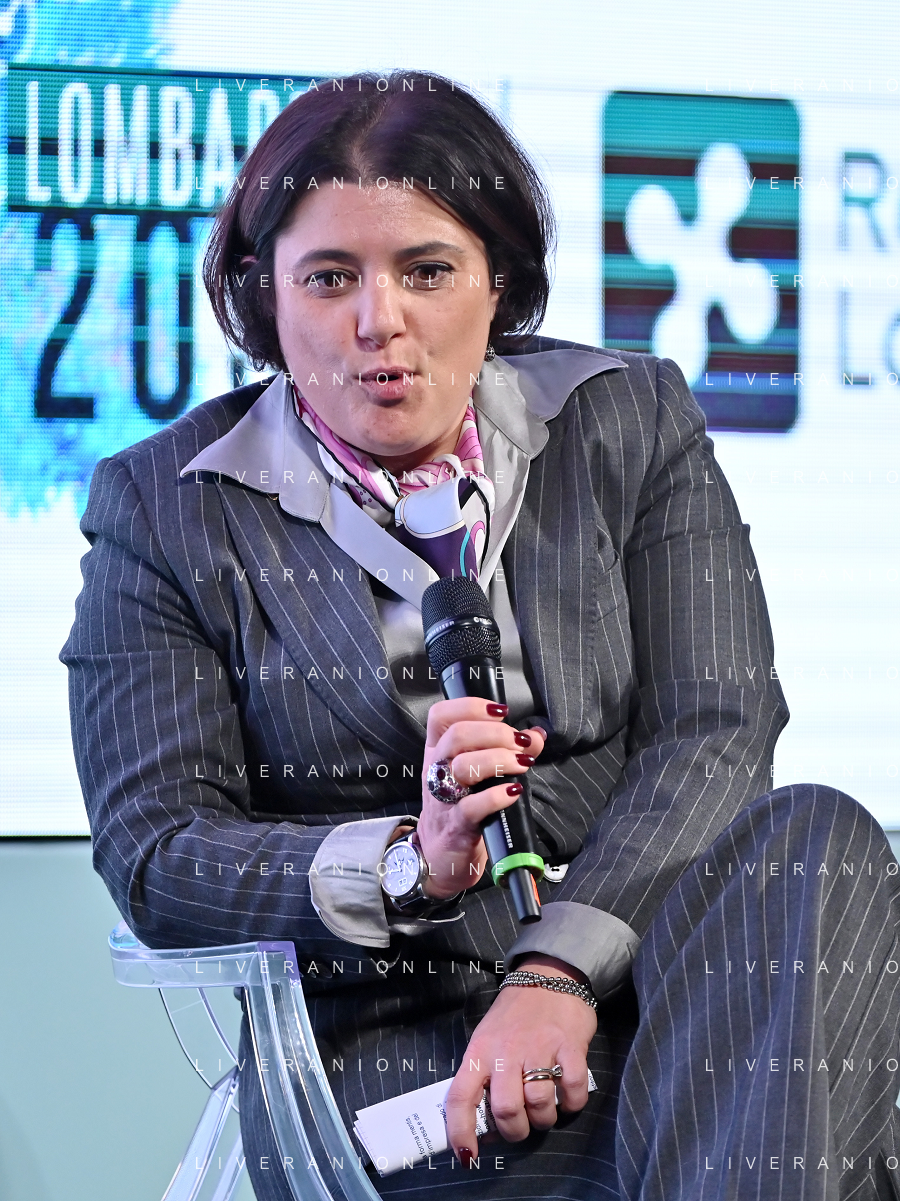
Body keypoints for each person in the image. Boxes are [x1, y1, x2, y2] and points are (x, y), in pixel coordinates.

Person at [60, 71, 900, 1200]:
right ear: (266, 295)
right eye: (329, 277)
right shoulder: (167, 508)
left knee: (817, 836)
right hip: (414, 1060)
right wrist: (411, 860)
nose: (379, 321)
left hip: (676, 1003)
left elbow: (718, 725)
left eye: (426, 271)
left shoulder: (628, 420)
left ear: (497, 282)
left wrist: (558, 970)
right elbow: (158, 851)